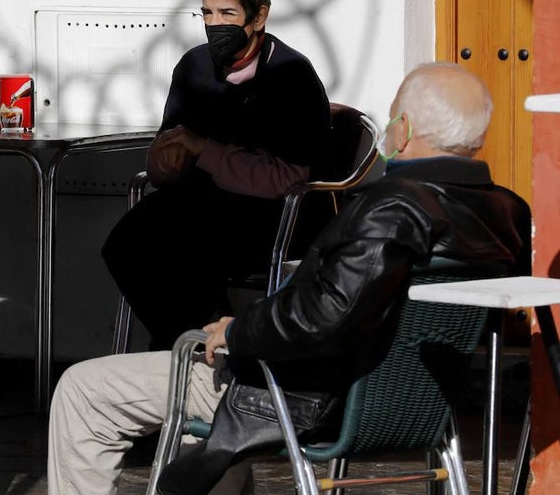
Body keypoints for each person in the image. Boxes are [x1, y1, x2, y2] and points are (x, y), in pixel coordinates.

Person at [49, 62, 531, 495]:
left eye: (391, 120)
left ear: (402, 130)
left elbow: (326, 312)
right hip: (417, 406)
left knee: (83, 390)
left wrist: (239, 330)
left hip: (302, 398)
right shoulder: (505, 213)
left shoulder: (392, 208)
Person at [102, 0, 331, 350]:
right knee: (126, 243)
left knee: (186, 248)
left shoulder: (290, 76)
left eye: (227, 13)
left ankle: (193, 348)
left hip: (270, 214)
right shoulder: (194, 66)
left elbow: (285, 178)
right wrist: (162, 162)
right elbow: (170, 144)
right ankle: (190, 343)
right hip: (199, 204)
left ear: (259, 17)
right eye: (207, 13)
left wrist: (204, 150)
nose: (214, 24)